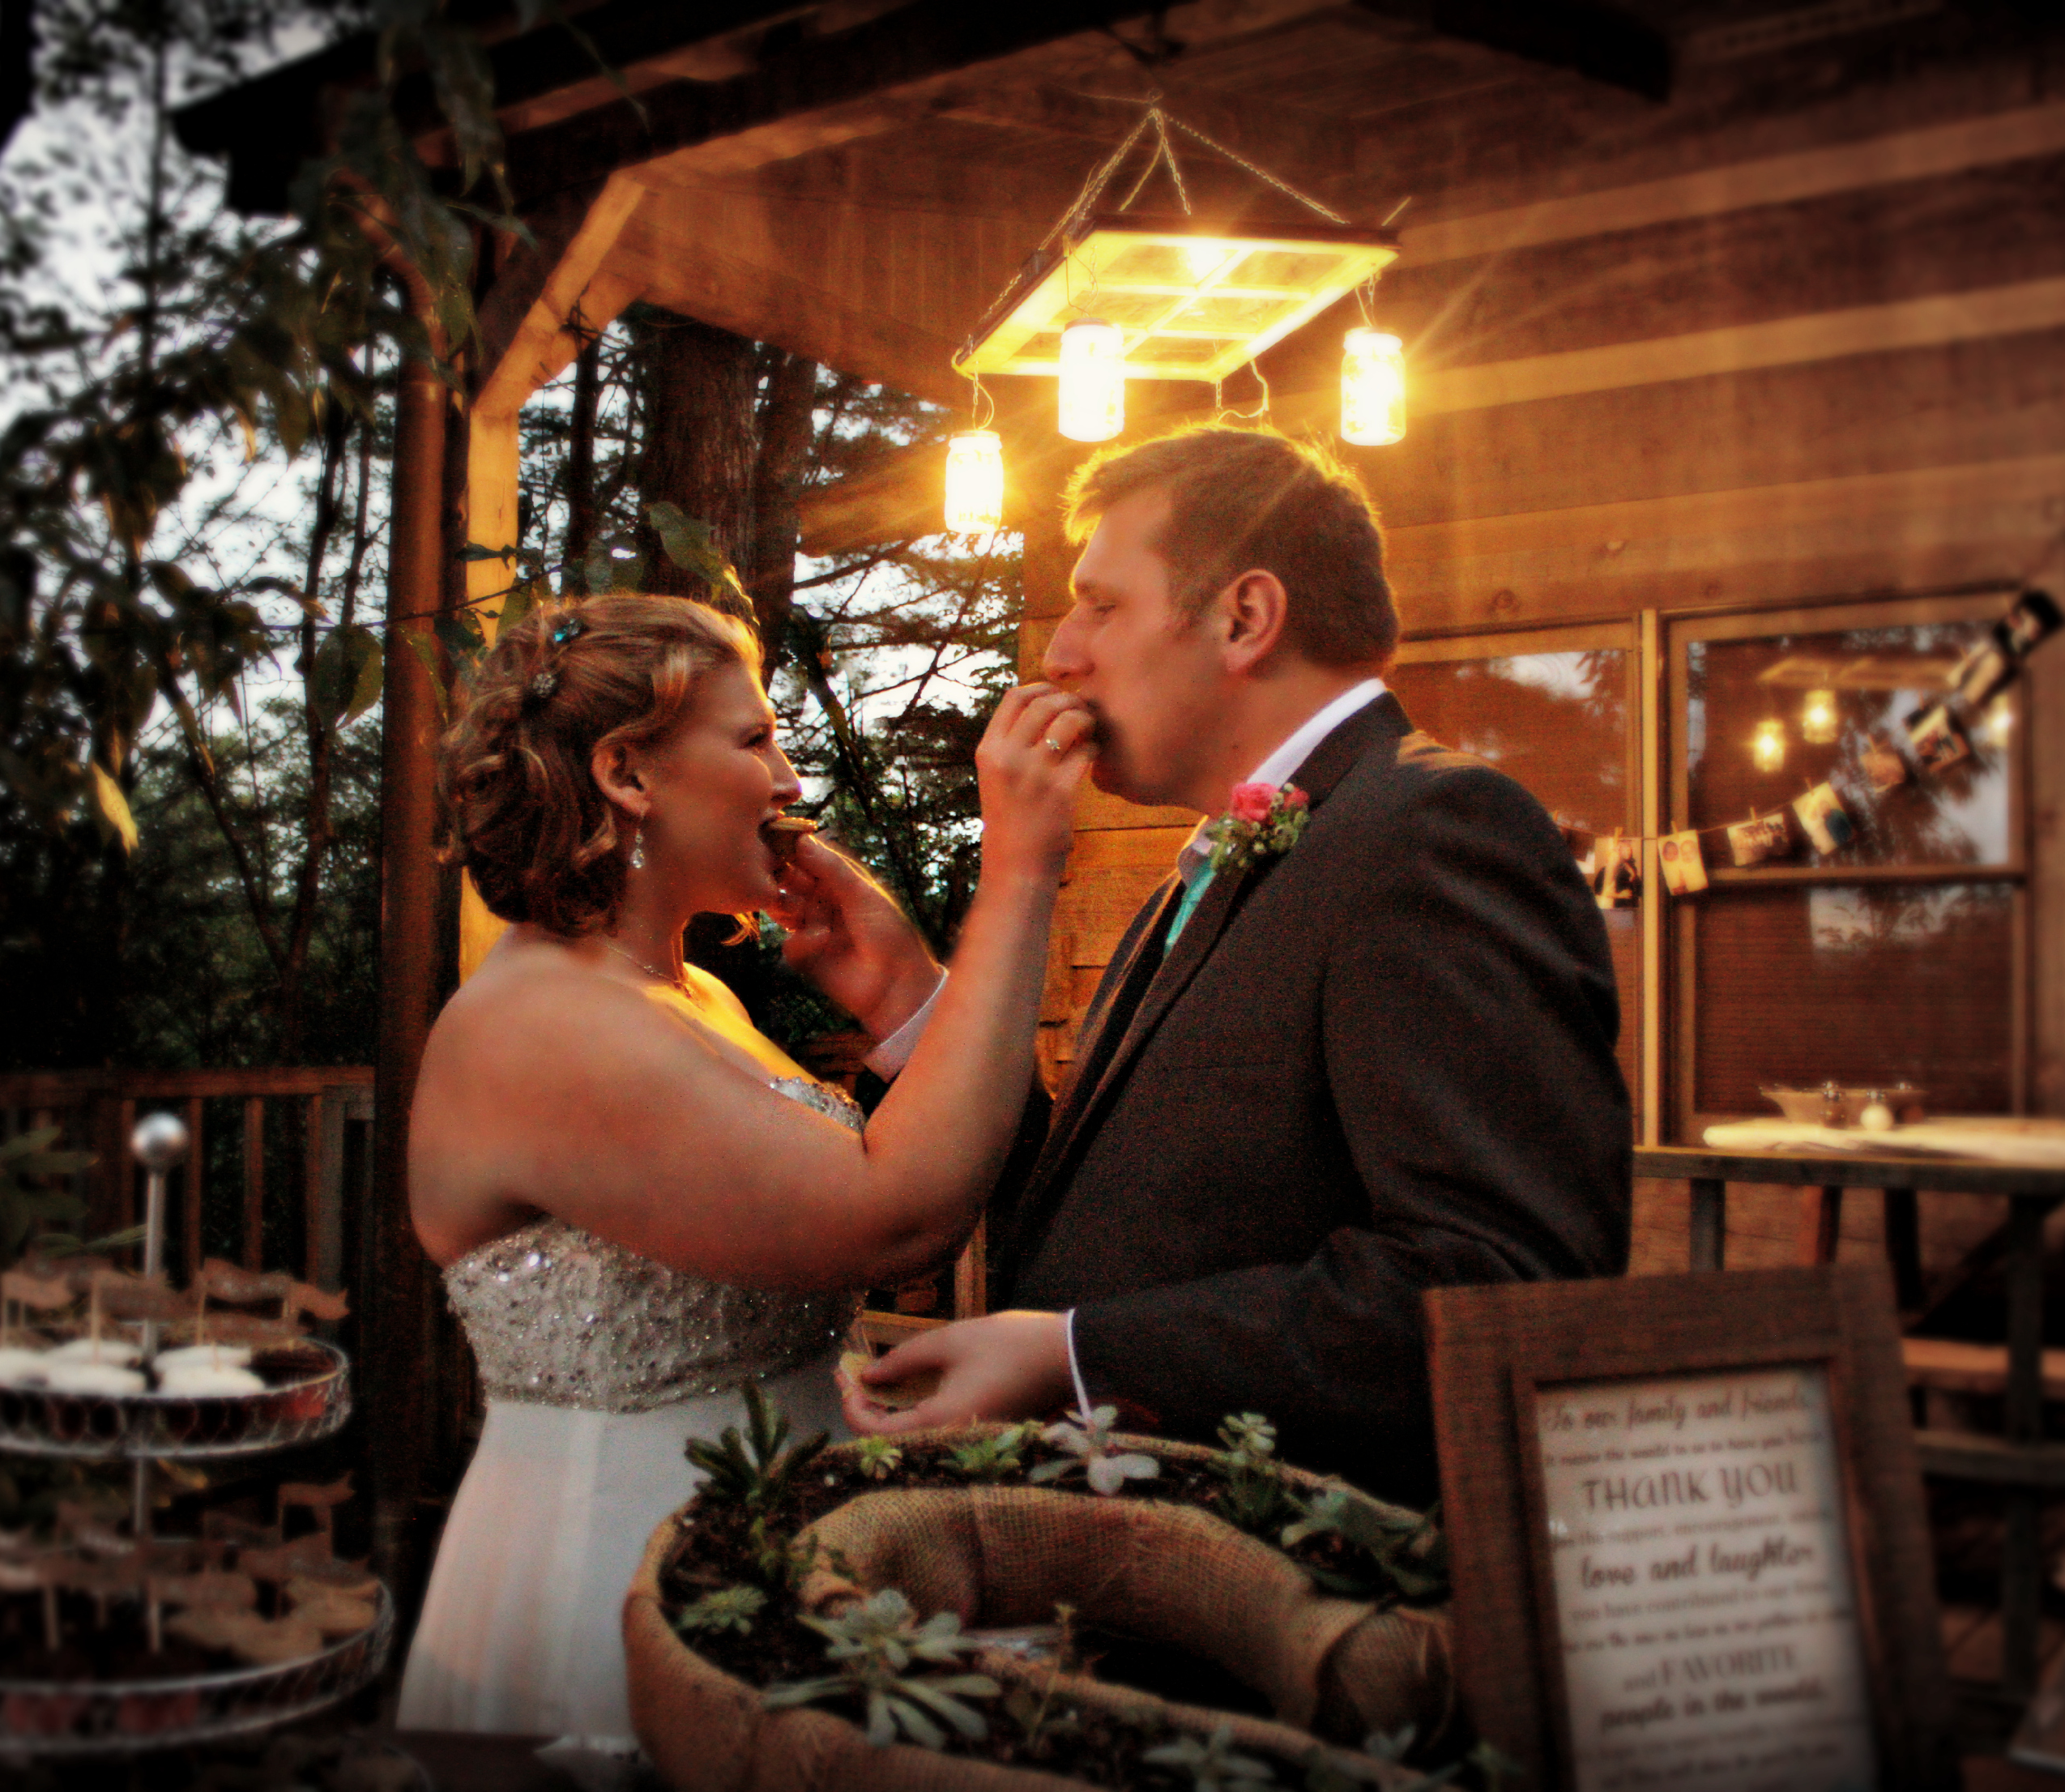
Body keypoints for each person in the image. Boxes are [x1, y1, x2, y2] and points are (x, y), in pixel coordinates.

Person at [840, 425, 1632, 1506]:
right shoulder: (1216, 863)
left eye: (1101, 604)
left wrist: (1078, 1357)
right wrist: (907, 999)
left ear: (1245, 618)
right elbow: (1119, 1206)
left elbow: (1497, 1285)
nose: (1060, 654)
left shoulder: (1431, 830)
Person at [393, 594, 1093, 1749]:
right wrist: (1019, 872)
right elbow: (894, 1215)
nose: (789, 782)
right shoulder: (539, 1025)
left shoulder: (696, 994)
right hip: (621, 1579)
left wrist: (899, 990)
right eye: (756, 739)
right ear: (628, 773)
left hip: (773, 1556)